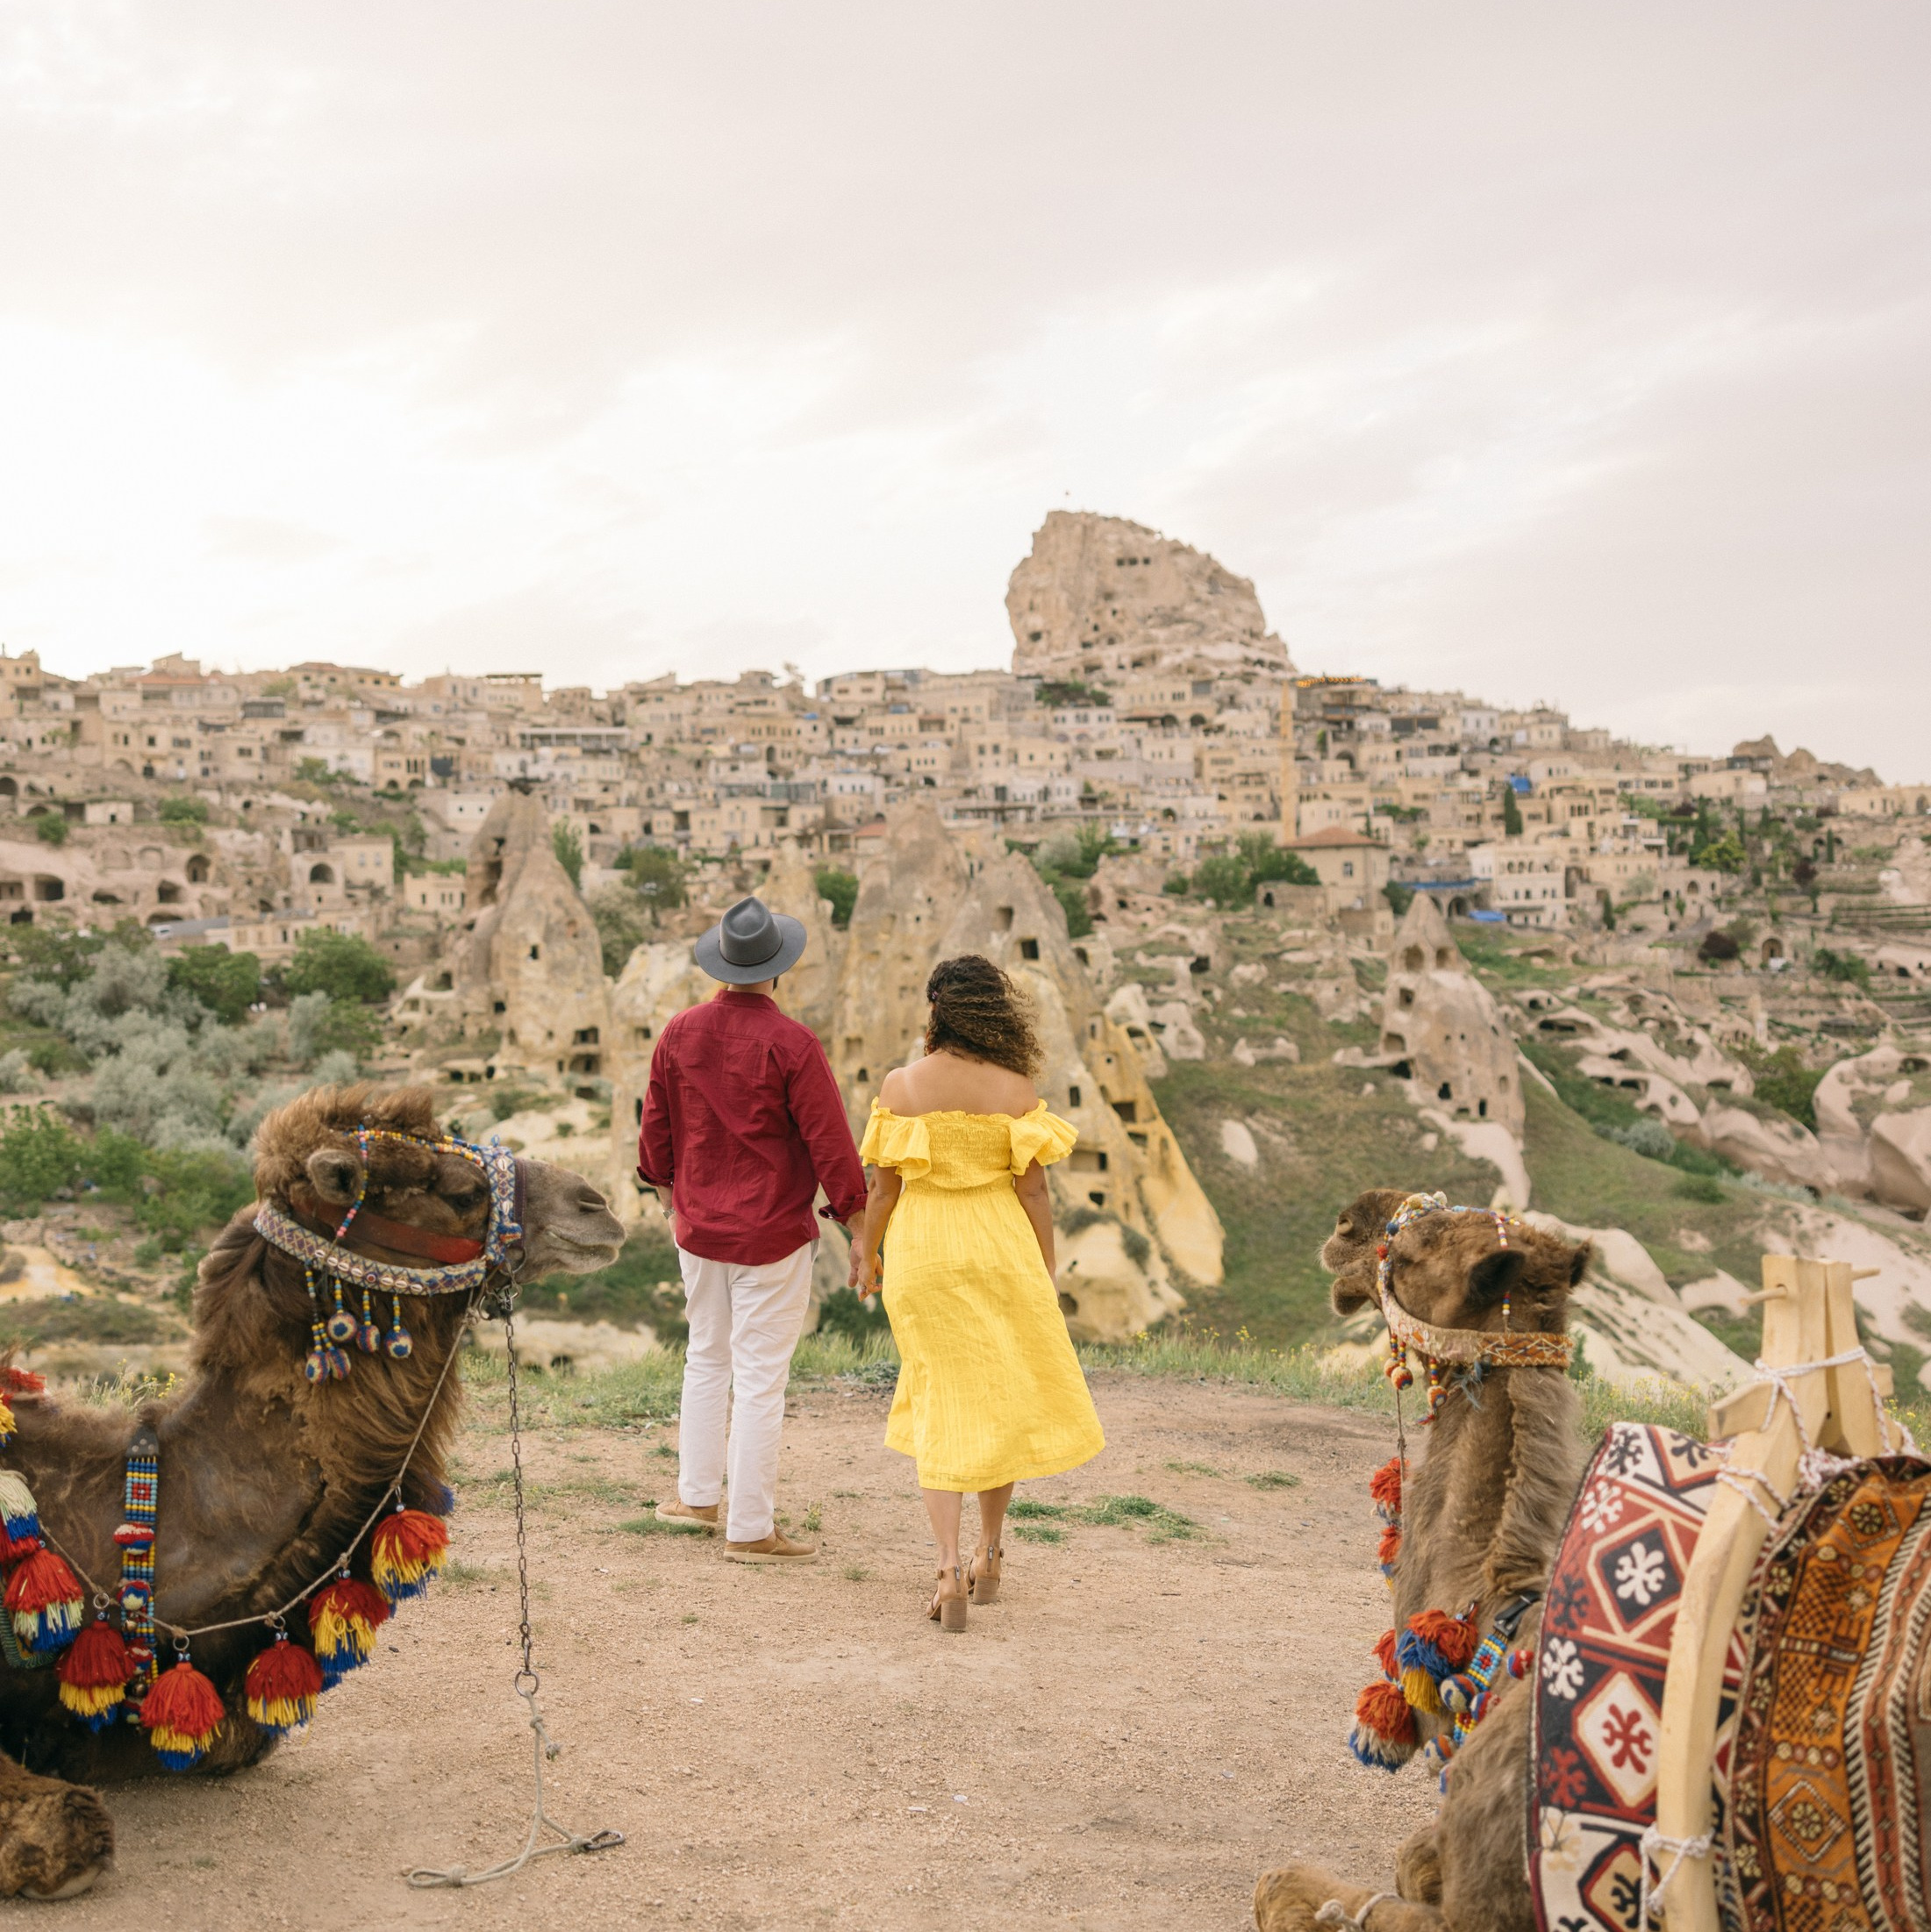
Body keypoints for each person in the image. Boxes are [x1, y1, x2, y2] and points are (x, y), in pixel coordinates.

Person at [851, 953, 1104, 1630]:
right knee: (999, 1395)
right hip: (1001, 1250)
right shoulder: (1016, 1090)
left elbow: (883, 1189)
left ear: (937, 1009)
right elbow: (1034, 1190)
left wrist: (868, 1253)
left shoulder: (901, 1086)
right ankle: (990, 1556)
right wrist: (1043, 1275)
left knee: (940, 1396)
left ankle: (945, 1569)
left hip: (925, 1251)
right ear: (997, 1012)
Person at [638, 895, 866, 1563]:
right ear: (778, 969)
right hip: (771, 1231)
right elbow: (829, 1141)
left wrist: (667, 1195)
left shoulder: (679, 1031)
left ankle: (697, 1497)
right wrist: (855, 1220)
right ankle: (750, 1529)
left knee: (706, 1356)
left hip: (698, 1226)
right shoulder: (792, 1044)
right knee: (761, 1376)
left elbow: (655, 1129)